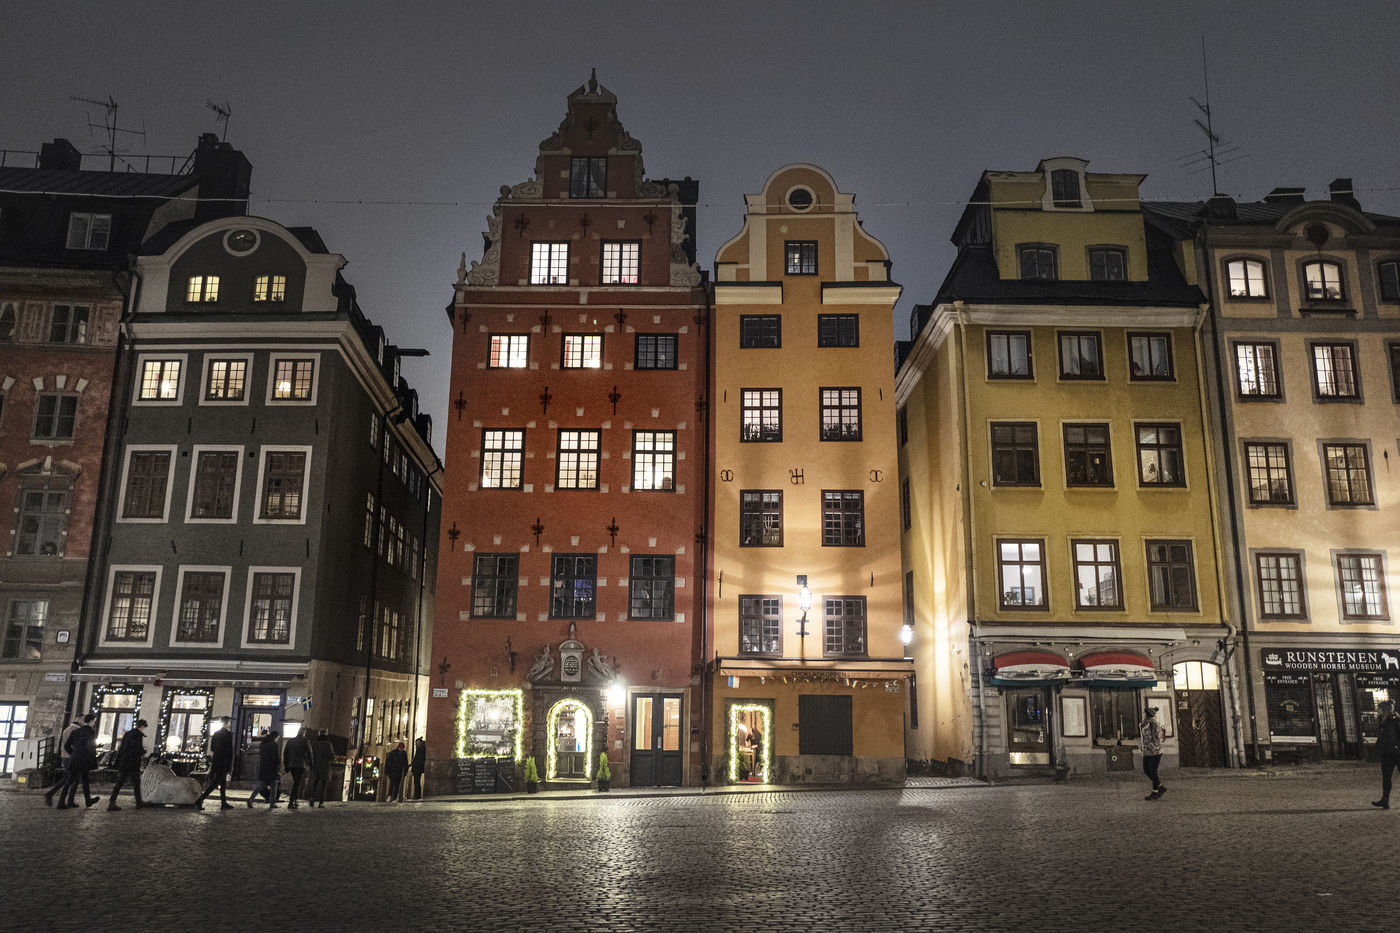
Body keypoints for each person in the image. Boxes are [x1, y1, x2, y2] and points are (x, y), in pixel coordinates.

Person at [59, 714, 99, 809]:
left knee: (70, 781)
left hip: (75, 759)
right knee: (85, 781)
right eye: (93, 722)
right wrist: (93, 760)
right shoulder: (90, 732)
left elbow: (67, 746)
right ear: (91, 722)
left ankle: (61, 801)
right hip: (84, 760)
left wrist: (73, 754)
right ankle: (87, 801)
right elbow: (91, 747)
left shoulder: (76, 731)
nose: (93, 724)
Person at [195, 717, 235, 810]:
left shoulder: (216, 733)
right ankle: (199, 800)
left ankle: (224, 803)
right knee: (215, 783)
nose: (230, 724)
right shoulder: (228, 734)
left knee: (222, 783)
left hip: (217, 760)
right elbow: (229, 750)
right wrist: (229, 763)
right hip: (224, 762)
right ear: (227, 723)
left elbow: (212, 748)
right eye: (229, 722)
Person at [107, 719, 148, 810]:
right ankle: (139, 802)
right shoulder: (138, 735)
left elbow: (122, 748)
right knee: (136, 783)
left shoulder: (127, 734)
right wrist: (143, 751)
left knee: (119, 783)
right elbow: (137, 749)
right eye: (144, 727)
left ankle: (112, 802)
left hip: (125, 762)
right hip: (133, 763)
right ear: (142, 726)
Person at [44, 716, 83, 807]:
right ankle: (62, 799)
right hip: (70, 757)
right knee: (72, 779)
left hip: (66, 756)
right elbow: (72, 744)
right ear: (78, 719)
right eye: (82, 719)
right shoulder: (75, 729)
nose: (83, 722)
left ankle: (61, 798)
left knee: (69, 779)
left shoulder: (67, 729)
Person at [1372, 699, 1400, 810]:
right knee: (1386, 777)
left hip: (1396, 752)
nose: (1377, 711)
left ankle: (1385, 800)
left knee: (1387, 777)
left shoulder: (1395, 719)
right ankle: (1385, 800)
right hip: (1387, 752)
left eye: (1379, 709)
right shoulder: (1382, 720)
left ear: (1384, 710)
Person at [247, 730, 282, 808]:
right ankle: (272, 803)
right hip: (271, 768)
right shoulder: (274, 744)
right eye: (277, 738)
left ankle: (251, 799)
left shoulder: (263, 744)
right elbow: (275, 757)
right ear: (275, 737)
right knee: (274, 786)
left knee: (261, 785)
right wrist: (278, 767)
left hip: (263, 767)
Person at [282, 727, 313, 810]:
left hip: (291, 765)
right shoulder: (305, 741)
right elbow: (309, 752)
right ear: (304, 733)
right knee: (296, 783)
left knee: (296, 782)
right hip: (300, 765)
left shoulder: (290, 741)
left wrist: (286, 765)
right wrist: (311, 763)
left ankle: (294, 801)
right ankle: (291, 801)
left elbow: (285, 753)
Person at [1140, 706, 1166, 800]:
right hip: (1147, 751)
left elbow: (1158, 738)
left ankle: (1155, 792)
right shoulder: (1144, 724)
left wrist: (1153, 748)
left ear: (1147, 715)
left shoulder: (1154, 724)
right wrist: (1142, 747)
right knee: (1146, 770)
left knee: (1153, 771)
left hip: (1155, 751)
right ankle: (1160, 786)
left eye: (1144, 713)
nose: (1143, 715)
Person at [309, 729, 335, 807]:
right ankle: (321, 802)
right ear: (326, 734)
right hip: (324, 767)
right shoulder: (328, 744)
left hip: (315, 766)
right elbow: (331, 756)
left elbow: (310, 754)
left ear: (319, 734)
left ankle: (312, 799)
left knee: (315, 784)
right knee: (323, 785)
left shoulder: (314, 743)